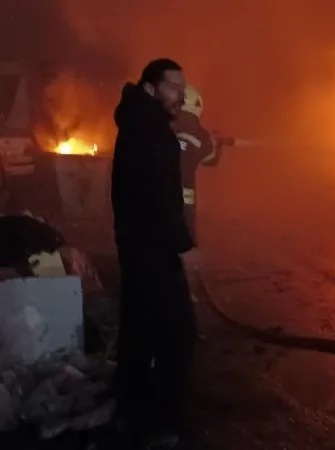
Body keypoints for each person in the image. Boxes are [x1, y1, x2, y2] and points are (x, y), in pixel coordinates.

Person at [110, 58, 198, 449]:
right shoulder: (154, 134)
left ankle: (129, 415)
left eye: (182, 88)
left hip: (136, 249)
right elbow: (162, 199)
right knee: (177, 335)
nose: (181, 95)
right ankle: (161, 425)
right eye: (172, 88)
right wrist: (185, 248)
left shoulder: (135, 124)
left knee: (139, 333)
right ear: (150, 88)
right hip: (155, 253)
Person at [172, 84, 221, 245]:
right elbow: (211, 160)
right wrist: (216, 144)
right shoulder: (202, 135)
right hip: (185, 199)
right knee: (186, 240)